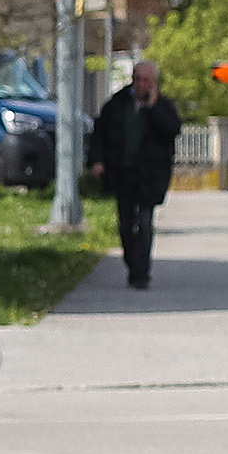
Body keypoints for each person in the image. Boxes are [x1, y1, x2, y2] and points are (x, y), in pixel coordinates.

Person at [87, 55, 182, 290]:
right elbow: (99, 134)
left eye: (147, 81)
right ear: (132, 80)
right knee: (126, 224)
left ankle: (141, 273)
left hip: (149, 175)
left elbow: (171, 131)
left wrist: (152, 108)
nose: (142, 85)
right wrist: (97, 161)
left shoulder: (163, 107)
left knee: (145, 222)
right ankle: (132, 261)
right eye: (138, 79)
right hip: (122, 173)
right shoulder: (117, 104)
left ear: (154, 83)